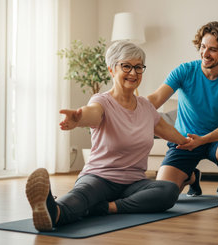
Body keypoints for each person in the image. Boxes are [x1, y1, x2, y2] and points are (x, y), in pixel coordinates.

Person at [25, 41, 191, 232]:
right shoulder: (101, 101)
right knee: (83, 194)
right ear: (112, 70)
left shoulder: (146, 107)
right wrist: (78, 118)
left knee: (168, 191)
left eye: (138, 67)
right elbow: (92, 113)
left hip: (134, 183)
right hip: (100, 177)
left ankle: (107, 208)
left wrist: (190, 143)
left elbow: (168, 131)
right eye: (126, 66)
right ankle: (53, 212)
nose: (133, 73)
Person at [147, 21, 218, 206]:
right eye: (203, 47)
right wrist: (123, 105)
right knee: (164, 196)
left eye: (213, 49)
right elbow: (155, 99)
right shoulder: (185, 71)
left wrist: (203, 140)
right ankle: (191, 177)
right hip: (184, 142)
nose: (205, 53)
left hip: (215, 142)